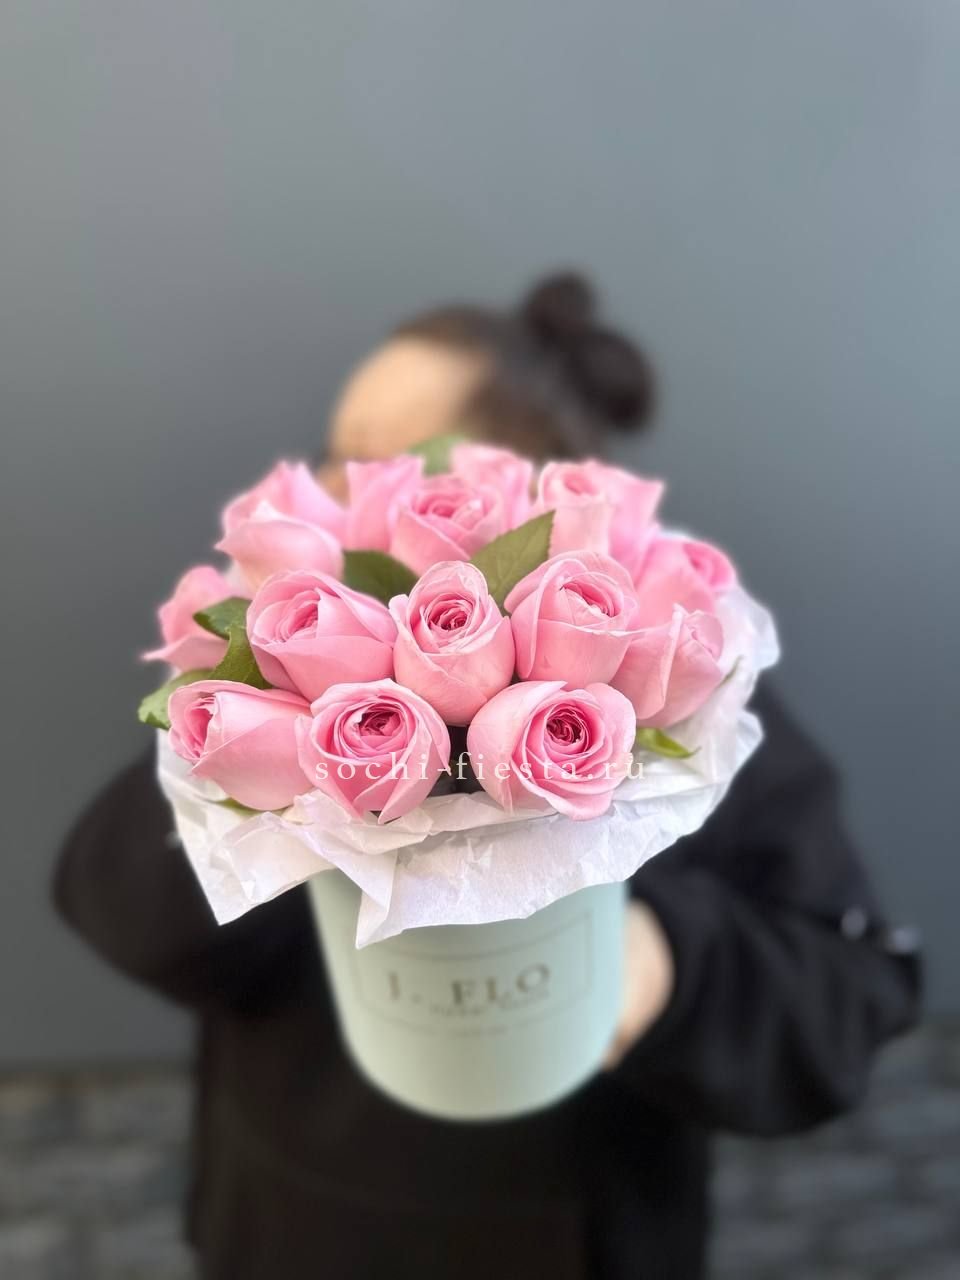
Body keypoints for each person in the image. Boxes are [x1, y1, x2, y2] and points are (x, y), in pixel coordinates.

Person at [54, 274, 920, 1280]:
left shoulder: (689, 708)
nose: (329, 494)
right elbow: (113, 911)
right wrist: (257, 757)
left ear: (524, 499)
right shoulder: (280, 691)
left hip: (576, 1243)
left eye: (385, 468)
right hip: (290, 1229)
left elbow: (848, 1001)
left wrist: (663, 961)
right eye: (336, 454)